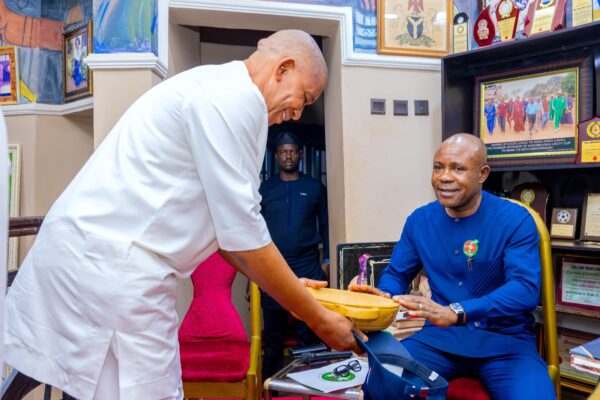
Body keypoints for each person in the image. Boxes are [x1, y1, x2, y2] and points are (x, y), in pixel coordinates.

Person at [2, 30, 360, 400]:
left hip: (100, 261)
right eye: (304, 98)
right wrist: (317, 318)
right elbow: (245, 236)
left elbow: (229, 235)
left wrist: (291, 288)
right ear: (283, 69)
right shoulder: (233, 98)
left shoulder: (223, 89)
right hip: (112, 265)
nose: (297, 114)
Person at [351, 133, 555, 400]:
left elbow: (524, 289)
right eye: (438, 167)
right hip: (439, 340)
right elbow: (396, 274)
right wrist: (382, 297)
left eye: (458, 169)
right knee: (383, 385)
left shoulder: (515, 219)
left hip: (505, 343)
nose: (444, 177)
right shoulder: (420, 220)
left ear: (482, 174)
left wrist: (457, 312)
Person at [259, 131, 330, 380]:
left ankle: (313, 385)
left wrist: (327, 261)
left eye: (292, 151)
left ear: (300, 154)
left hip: (307, 266)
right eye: (283, 151)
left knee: (308, 333)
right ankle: (270, 388)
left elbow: (326, 225)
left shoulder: (315, 188)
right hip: (273, 268)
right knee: (273, 338)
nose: (288, 155)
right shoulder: (265, 189)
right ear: (276, 156)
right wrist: (253, 272)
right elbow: (255, 230)